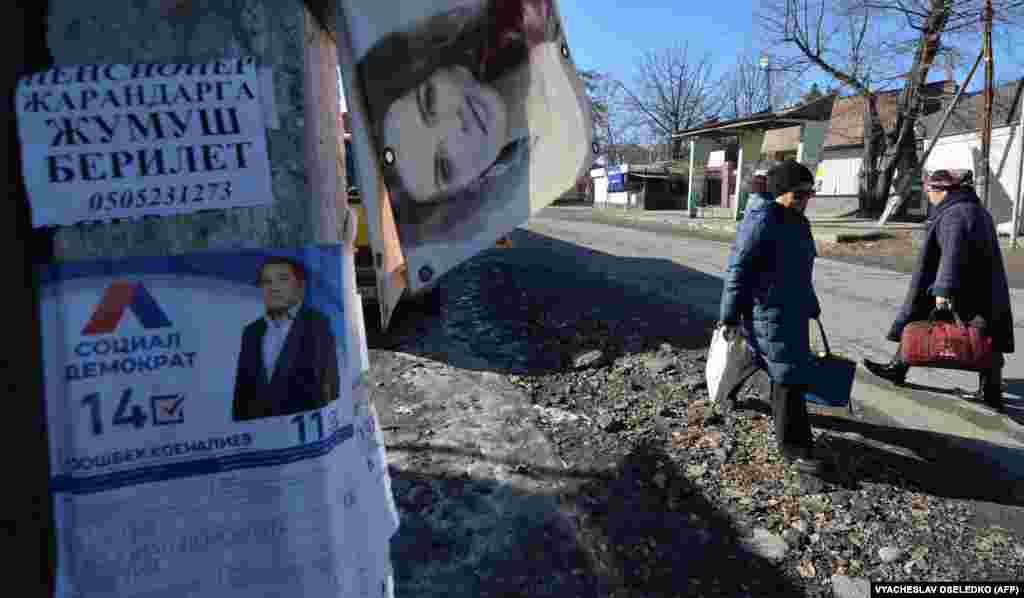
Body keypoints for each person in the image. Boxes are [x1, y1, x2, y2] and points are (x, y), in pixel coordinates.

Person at [356, 0, 590, 247]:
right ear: (464, 189)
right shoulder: (559, 157)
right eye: (444, 166)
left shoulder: (517, 14)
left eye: (430, 102)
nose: (456, 125)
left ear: (437, 68)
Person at [862, 169, 1013, 411]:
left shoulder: (955, 213)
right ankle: (898, 368)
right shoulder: (973, 209)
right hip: (982, 287)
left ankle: (990, 392)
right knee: (985, 334)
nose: (928, 194)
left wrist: (944, 288)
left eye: (930, 189)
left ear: (945, 191)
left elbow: (953, 253)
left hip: (964, 288)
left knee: (978, 335)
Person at [718, 159, 826, 474]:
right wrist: (729, 314)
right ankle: (796, 449)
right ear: (780, 193)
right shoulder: (761, 220)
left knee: (756, 355)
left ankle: (723, 393)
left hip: (790, 310)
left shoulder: (797, 221)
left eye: (810, 194)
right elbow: (738, 269)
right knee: (788, 374)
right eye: (800, 194)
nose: (806, 200)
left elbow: (801, 272)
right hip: (768, 310)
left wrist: (811, 302)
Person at [233, 257, 340, 421]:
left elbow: (330, 387)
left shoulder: (318, 324)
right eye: (266, 282)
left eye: (283, 279)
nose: (274, 288)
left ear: (300, 286)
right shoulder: (251, 332)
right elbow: (242, 394)